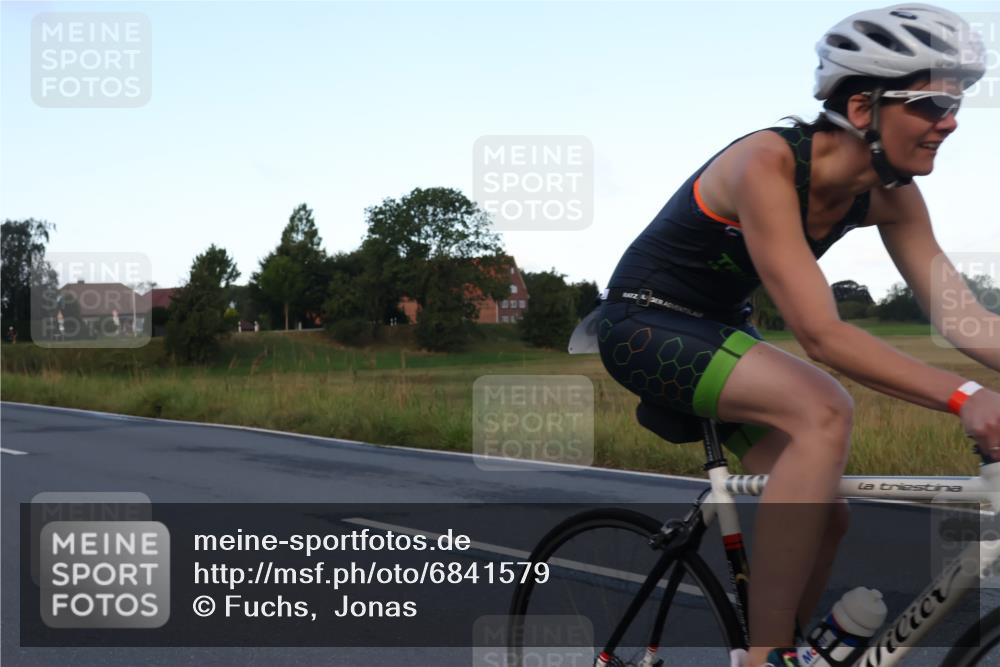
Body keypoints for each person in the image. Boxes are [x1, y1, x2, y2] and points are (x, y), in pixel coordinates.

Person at [596, 5, 1000, 666]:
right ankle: (766, 655)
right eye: (930, 104)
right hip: (644, 323)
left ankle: (797, 651)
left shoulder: (891, 196)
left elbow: (963, 318)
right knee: (823, 407)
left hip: (721, 330)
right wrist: (964, 395)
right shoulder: (767, 163)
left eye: (957, 104)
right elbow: (819, 333)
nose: (950, 122)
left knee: (825, 514)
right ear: (864, 108)